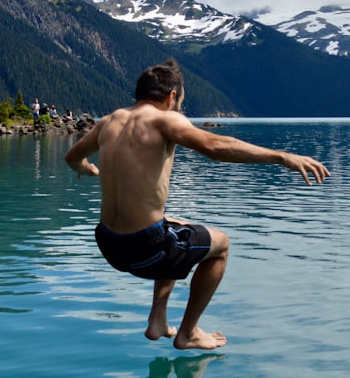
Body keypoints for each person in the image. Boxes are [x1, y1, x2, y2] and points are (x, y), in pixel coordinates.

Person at [65, 59, 329, 350]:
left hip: (108, 244)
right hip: (144, 249)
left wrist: (88, 168)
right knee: (221, 245)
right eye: (179, 102)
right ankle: (188, 332)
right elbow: (215, 146)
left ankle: (158, 321)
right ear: (172, 97)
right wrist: (281, 157)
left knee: (174, 224)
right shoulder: (165, 118)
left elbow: (72, 157)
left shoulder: (108, 121)